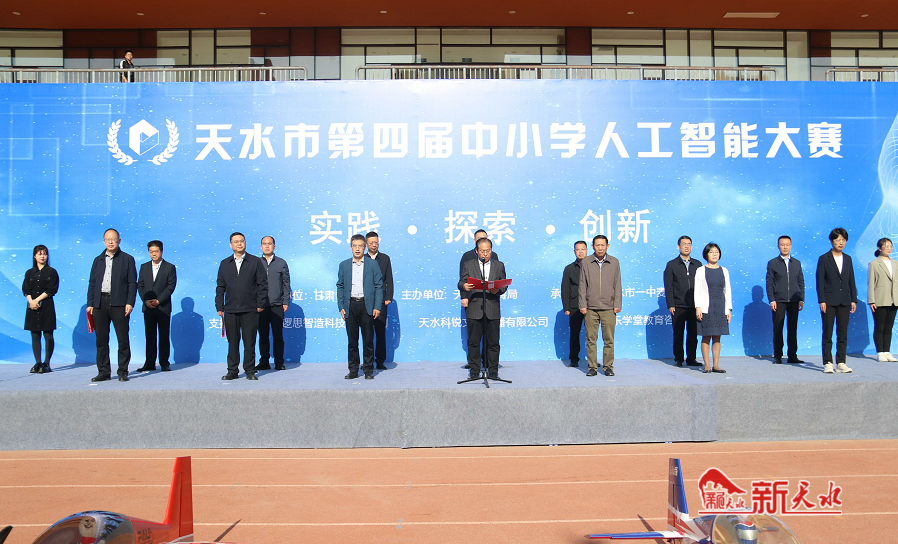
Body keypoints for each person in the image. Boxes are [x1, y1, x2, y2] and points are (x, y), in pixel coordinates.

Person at [215, 232, 268, 381]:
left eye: (242, 241)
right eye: (236, 241)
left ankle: (250, 370)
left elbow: (263, 284)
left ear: (245, 243)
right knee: (233, 343)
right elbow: (220, 287)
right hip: (230, 309)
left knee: (249, 342)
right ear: (230, 245)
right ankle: (232, 371)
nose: (239, 244)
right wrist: (219, 306)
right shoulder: (225, 263)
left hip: (250, 309)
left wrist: (260, 304)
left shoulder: (255, 261)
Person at [87, 228, 137, 382]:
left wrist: (130, 302)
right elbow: (92, 283)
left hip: (119, 304)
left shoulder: (127, 259)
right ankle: (103, 372)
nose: (110, 242)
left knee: (123, 339)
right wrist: (90, 303)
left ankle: (123, 371)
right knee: (101, 340)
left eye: (113, 239)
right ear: (103, 241)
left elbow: (132, 283)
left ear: (119, 241)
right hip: (100, 304)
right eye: (107, 239)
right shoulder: (98, 260)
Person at [459, 237, 507, 379]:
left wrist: (498, 290)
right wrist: (464, 286)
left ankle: (493, 371)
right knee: (473, 342)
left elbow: (503, 285)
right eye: (482, 251)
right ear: (477, 251)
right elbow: (461, 282)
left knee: (493, 342)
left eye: (488, 251)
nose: (485, 254)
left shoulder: (499, 265)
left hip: (492, 308)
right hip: (475, 308)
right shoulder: (468, 265)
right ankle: (474, 371)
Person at [337, 234, 384, 379]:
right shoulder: (344, 265)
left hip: (366, 306)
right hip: (350, 305)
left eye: (360, 246)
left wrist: (377, 306)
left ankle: (368, 370)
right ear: (351, 247)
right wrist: (341, 306)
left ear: (364, 247)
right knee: (352, 341)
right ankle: (353, 370)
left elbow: (379, 286)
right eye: (354, 246)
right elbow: (340, 286)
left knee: (368, 340)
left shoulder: (372, 264)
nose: (357, 249)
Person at [578, 235, 622, 377]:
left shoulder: (614, 262)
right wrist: (583, 304)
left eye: (603, 245)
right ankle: (592, 367)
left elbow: (617, 284)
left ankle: (608, 367)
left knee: (609, 340)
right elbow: (582, 285)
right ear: (593, 247)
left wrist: (617, 304)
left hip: (609, 308)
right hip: (591, 308)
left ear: (607, 246)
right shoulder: (586, 262)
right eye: (597, 245)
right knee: (591, 340)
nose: (600, 248)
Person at [816, 227, 858, 374]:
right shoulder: (824, 258)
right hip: (828, 301)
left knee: (843, 333)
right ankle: (828, 362)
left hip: (845, 301)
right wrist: (822, 300)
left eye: (843, 240)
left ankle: (841, 362)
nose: (841, 243)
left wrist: (853, 299)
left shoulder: (848, 259)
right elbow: (820, 281)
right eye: (838, 240)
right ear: (831, 241)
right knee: (827, 332)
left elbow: (851, 280)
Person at [137, 240, 177, 372]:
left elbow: (170, 286)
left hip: (163, 307)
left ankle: (164, 363)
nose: (153, 254)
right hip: (148, 307)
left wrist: (158, 300)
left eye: (156, 251)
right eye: (151, 251)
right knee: (150, 336)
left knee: (163, 336)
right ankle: (149, 363)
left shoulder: (169, 267)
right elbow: (140, 285)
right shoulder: (144, 267)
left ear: (161, 251)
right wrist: (146, 300)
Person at [663, 236, 703, 367]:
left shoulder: (697, 264)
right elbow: (668, 286)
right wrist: (671, 304)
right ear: (678, 246)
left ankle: (691, 358)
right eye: (684, 244)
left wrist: (701, 304)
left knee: (693, 334)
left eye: (689, 244)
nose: (687, 246)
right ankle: (678, 358)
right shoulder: (672, 264)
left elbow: (702, 286)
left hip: (694, 306)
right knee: (678, 333)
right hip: (678, 305)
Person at [765, 235, 805, 364]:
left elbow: (801, 281)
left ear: (791, 246)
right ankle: (778, 355)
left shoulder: (797, 263)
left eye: (787, 244)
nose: (785, 247)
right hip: (779, 300)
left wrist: (801, 299)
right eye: (782, 244)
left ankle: (792, 355)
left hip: (794, 300)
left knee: (792, 329)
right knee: (778, 328)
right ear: (778, 246)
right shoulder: (773, 263)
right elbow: (769, 283)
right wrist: (772, 300)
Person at [694, 243, 732, 373]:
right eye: (711, 252)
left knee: (717, 337)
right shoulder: (701, 270)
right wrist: (698, 307)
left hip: (720, 307)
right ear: (706, 255)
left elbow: (727, 290)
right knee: (706, 336)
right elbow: (697, 290)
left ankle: (716, 365)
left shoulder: (724, 270)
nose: (714, 254)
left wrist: (729, 309)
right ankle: (707, 365)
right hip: (706, 307)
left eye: (716, 252)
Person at [256, 236, 291, 371]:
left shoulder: (281, 263)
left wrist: (285, 301)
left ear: (274, 246)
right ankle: (264, 361)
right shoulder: (256, 263)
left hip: (277, 305)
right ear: (261, 247)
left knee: (278, 335)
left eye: (269, 244)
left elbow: (286, 283)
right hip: (261, 306)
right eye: (264, 244)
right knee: (263, 335)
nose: (267, 246)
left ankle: (279, 362)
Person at [23, 244, 59, 374]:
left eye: (44, 254)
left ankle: (46, 363)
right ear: (34, 256)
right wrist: (31, 301)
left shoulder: (52, 272)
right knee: (35, 334)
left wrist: (37, 300)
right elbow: (26, 289)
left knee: (48, 335)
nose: (42, 256)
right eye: (40, 254)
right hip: (32, 306)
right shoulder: (29, 272)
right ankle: (37, 362)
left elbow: (52, 289)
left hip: (46, 306)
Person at [366, 231, 394, 370]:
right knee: (367, 333)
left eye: (376, 242)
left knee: (380, 331)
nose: (374, 245)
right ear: (366, 244)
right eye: (371, 242)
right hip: (365, 300)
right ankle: (368, 362)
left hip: (381, 300)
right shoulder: (362, 259)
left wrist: (388, 297)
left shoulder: (385, 258)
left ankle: (380, 361)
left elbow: (389, 278)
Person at [868, 237, 898, 362]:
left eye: (890, 246)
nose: (889, 248)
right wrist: (871, 300)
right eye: (886, 246)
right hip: (880, 299)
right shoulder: (874, 264)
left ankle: (887, 351)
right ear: (879, 248)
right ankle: (880, 352)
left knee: (889, 327)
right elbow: (871, 283)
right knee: (879, 326)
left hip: (894, 299)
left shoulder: (896, 263)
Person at [561, 241, 589, 367]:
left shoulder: (593, 267)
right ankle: (574, 359)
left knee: (591, 334)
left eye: (583, 249)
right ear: (574, 252)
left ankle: (592, 360)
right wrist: (566, 307)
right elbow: (565, 288)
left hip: (591, 305)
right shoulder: (569, 268)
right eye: (578, 249)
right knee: (575, 333)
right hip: (575, 305)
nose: (580, 252)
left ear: (587, 250)